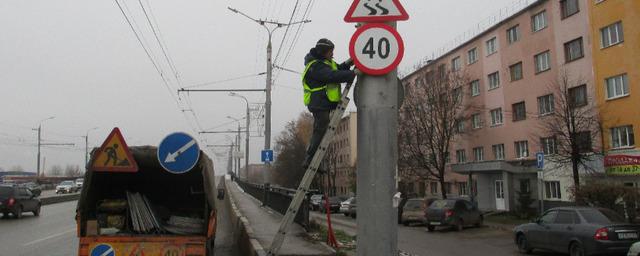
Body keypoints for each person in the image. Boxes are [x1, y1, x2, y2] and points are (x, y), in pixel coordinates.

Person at [301, 38, 357, 169]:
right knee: (320, 131)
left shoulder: (324, 62)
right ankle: (309, 160)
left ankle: (316, 162)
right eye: (331, 51)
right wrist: (352, 73)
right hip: (319, 103)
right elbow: (332, 75)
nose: (332, 54)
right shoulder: (315, 66)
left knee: (322, 132)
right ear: (323, 52)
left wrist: (348, 63)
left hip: (324, 102)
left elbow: (337, 69)